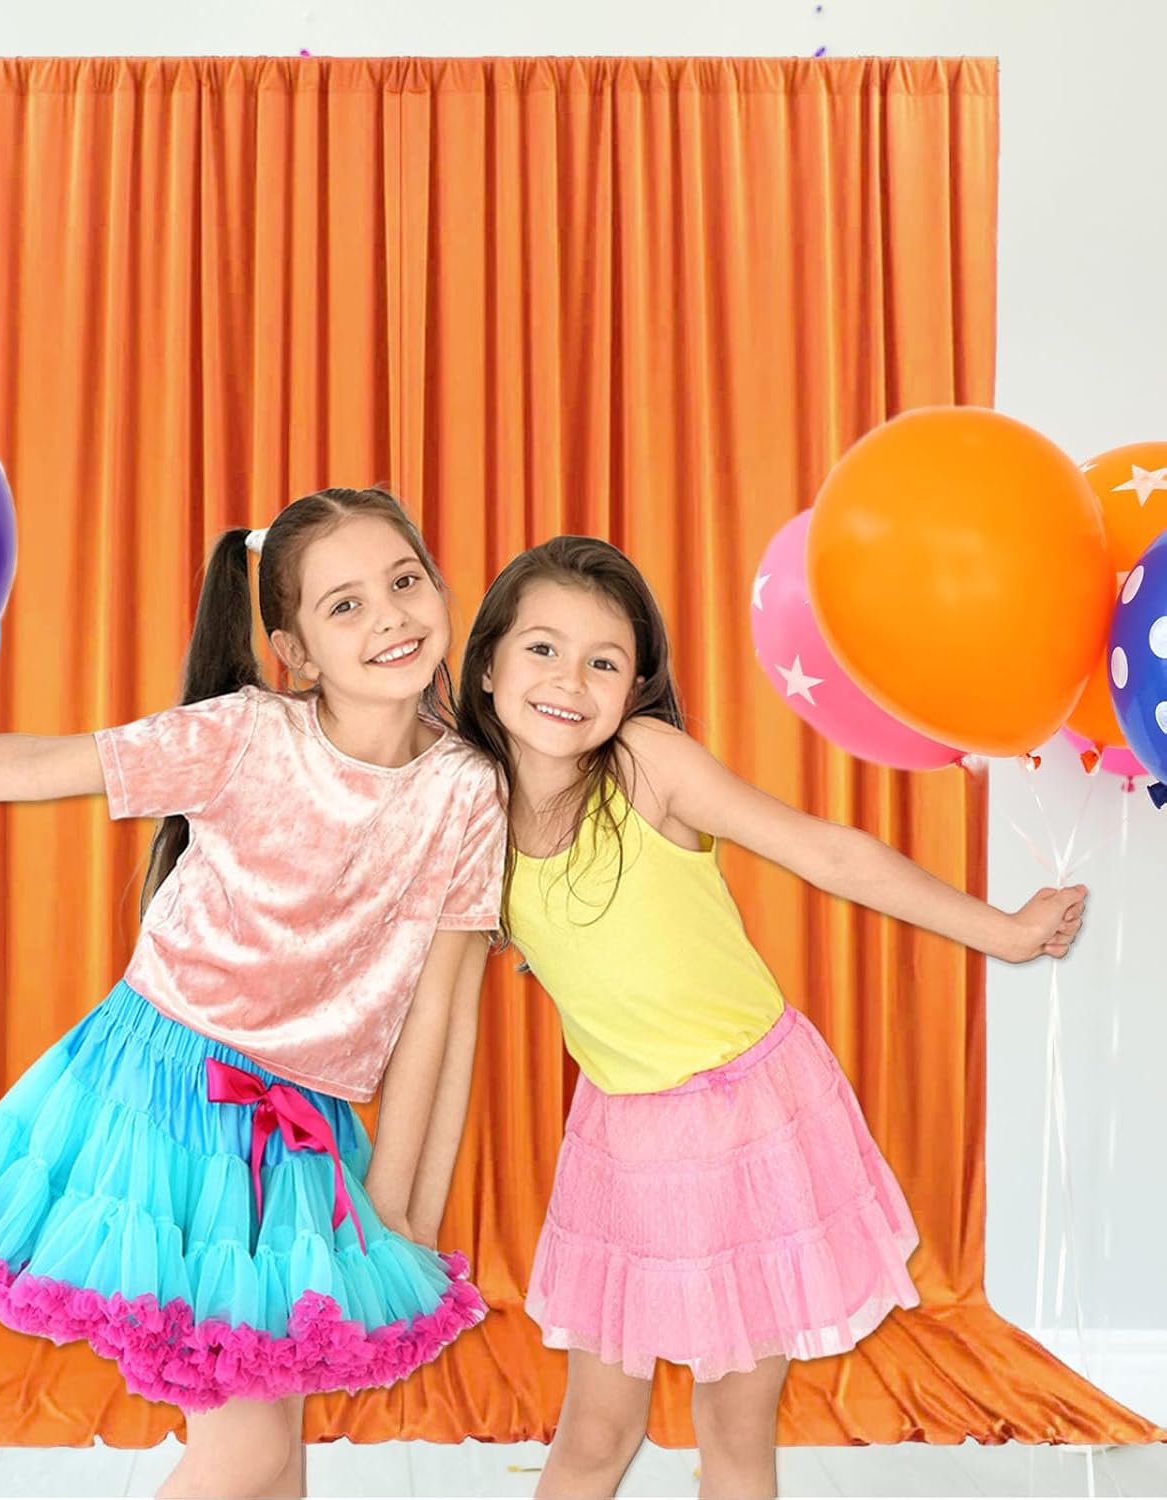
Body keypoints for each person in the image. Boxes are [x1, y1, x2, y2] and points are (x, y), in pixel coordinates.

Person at [0, 487, 505, 1500]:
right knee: (248, 1449)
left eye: (405, 583)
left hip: (302, 1131)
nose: (390, 618)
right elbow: (45, 765)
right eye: (345, 605)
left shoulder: (467, 787)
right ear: (295, 651)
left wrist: (403, 1212)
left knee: (279, 1455)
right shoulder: (245, 735)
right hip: (164, 1096)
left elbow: (445, 1006)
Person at [455, 535, 1085, 1500]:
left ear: (635, 690)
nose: (569, 681)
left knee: (734, 1431)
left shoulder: (646, 766)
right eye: (542, 649)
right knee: (595, 1431)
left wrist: (1003, 932)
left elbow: (829, 853)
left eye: (603, 662)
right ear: (488, 665)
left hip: (750, 1117)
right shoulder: (470, 810)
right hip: (624, 1136)